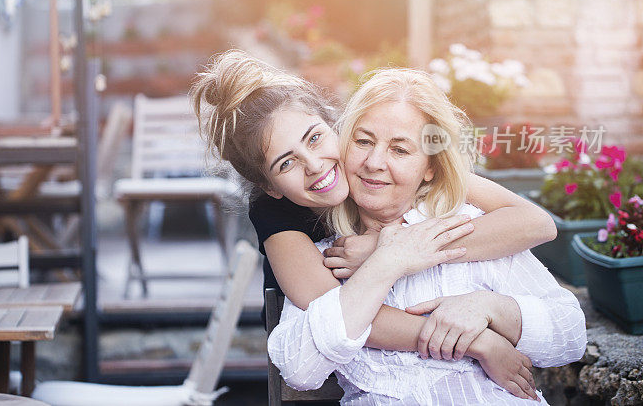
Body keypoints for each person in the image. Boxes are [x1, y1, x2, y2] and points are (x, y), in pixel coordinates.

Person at [190, 50, 556, 395]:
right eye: (286, 163)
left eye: (315, 138)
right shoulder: (276, 215)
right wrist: (477, 342)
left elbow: (536, 223)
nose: (315, 164)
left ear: (334, 125)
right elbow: (341, 313)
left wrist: (390, 245)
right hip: (342, 365)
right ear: (268, 186)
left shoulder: (372, 160)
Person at [267, 68, 587, 404]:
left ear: (430, 167)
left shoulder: (470, 228)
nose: (375, 162)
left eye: (400, 150)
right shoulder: (327, 261)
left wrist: (489, 308)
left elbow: (571, 335)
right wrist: (387, 260)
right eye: (363, 141)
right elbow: (300, 371)